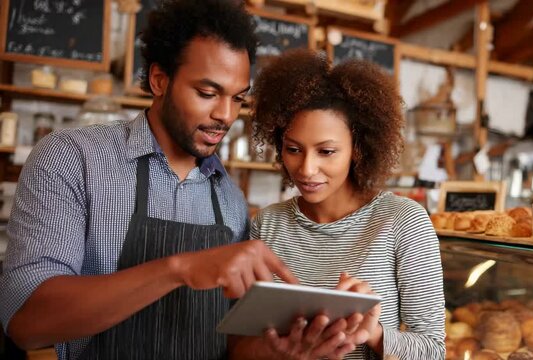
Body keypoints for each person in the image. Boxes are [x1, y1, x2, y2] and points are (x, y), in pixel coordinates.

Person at [0, 2, 362, 359]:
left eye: (237, 99)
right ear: (159, 80)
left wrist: (280, 349)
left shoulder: (231, 201)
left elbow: (232, 342)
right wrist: (180, 268)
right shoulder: (72, 159)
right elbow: (26, 323)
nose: (225, 115)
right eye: (207, 93)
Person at [231, 49, 446, 359]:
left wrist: (373, 334)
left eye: (326, 152)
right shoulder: (267, 224)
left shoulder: (403, 222)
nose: (306, 169)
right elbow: (239, 346)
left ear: (357, 148)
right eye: (293, 149)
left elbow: (432, 350)